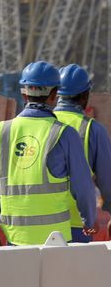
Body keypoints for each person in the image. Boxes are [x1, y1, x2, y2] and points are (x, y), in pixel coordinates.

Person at [0, 61, 97, 246]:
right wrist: (89, 221)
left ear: (23, 94)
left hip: (15, 240)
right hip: (56, 241)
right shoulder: (64, 134)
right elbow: (83, 187)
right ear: (54, 96)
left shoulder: (3, 132)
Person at [54, 64, 111, 243]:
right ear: (86, 96)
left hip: (31, 224)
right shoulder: (92, 129)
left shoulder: (40, 123)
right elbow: (107, 182)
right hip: (77, 225)